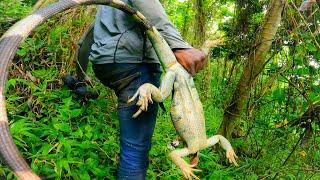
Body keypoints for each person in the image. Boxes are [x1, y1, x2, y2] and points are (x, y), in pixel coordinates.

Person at [88, 0, 205, 179]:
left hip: (105, 64)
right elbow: (149, 8)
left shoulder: (105, 6)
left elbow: (89, 35)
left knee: (132, 141)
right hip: (135, 63)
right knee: (135, 149)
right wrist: (179, 45)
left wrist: (80, 75)